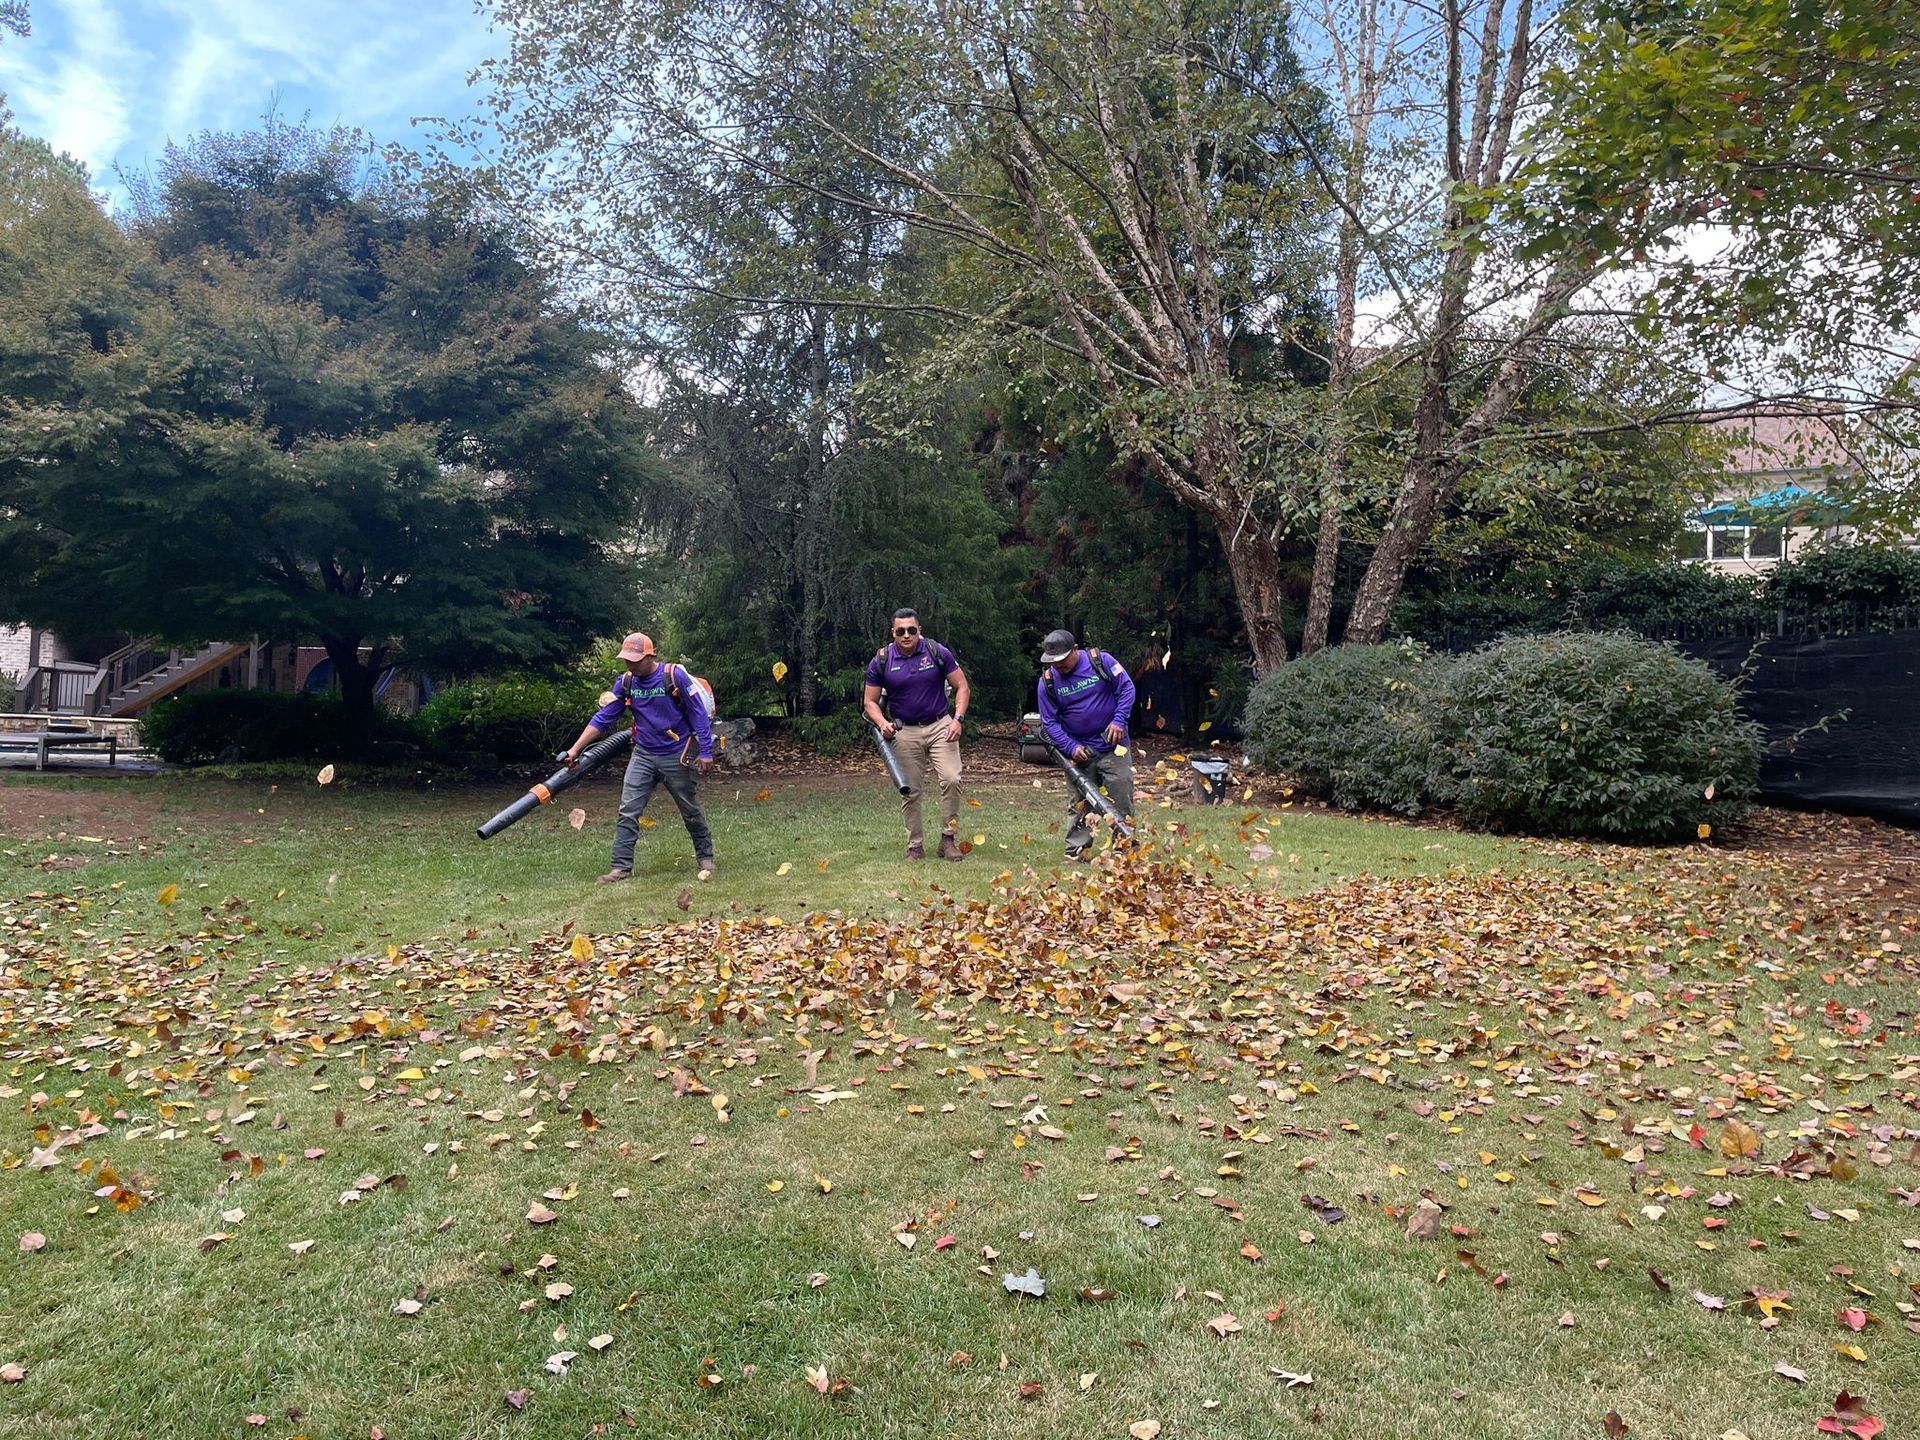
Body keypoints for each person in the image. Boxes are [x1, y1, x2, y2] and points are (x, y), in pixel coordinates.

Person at [563, 631, 715, 883]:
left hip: (676, 754)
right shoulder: (625, 683)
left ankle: (705, 857)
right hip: (643, 754)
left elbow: (698, 712)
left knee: (689, 808)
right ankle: (620, 868)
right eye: (627, 659)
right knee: (628, 810)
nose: (630, 664)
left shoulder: (673, 675)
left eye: (635, 659)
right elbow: (604, 718)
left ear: (650, 656)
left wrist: (706, 751)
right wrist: (576, 749)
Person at [863, 607, 970, 861]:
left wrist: (958, 719)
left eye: (912, 630)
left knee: (952, 779)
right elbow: (869, 702)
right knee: (909, 790)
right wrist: (882, 723)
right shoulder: (881, 660)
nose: (907, 635)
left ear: (919, 630)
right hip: (904, 731)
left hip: (940, 725)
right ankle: (915, 846)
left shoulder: (936, 651)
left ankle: (948, 839)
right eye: (901, 631)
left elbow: (962, 686)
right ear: (893, 633)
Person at [1035, 628, 1136, 861]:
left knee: (1122, 794)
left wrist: (1119, 720)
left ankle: (1125, 846)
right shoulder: (1047, 683)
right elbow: (1049, 723)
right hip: (1079, 752)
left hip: (1114, 746)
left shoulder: (1101, 661)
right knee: (1080, 802)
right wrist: (1070, 747)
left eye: (1062, 660)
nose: (1058, 666)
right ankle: (1077, 850)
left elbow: (1127, 688)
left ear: (1075, 651)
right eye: (1053, 662)